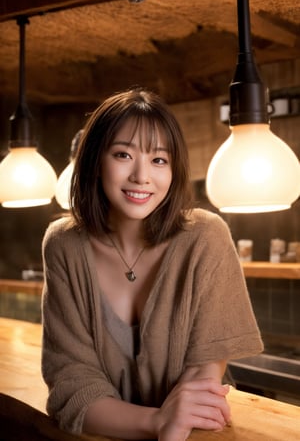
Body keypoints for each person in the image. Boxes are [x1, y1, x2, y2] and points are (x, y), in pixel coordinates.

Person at [41, 88, 263, 441]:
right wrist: (158, 422)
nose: (142, 176)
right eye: (123, 154)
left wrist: (175, 421)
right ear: (96, 162)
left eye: (159, 160)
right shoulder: (63, 244)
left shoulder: (205, 236)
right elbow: (72, 384)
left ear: (174, 170)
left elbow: (204, 375)